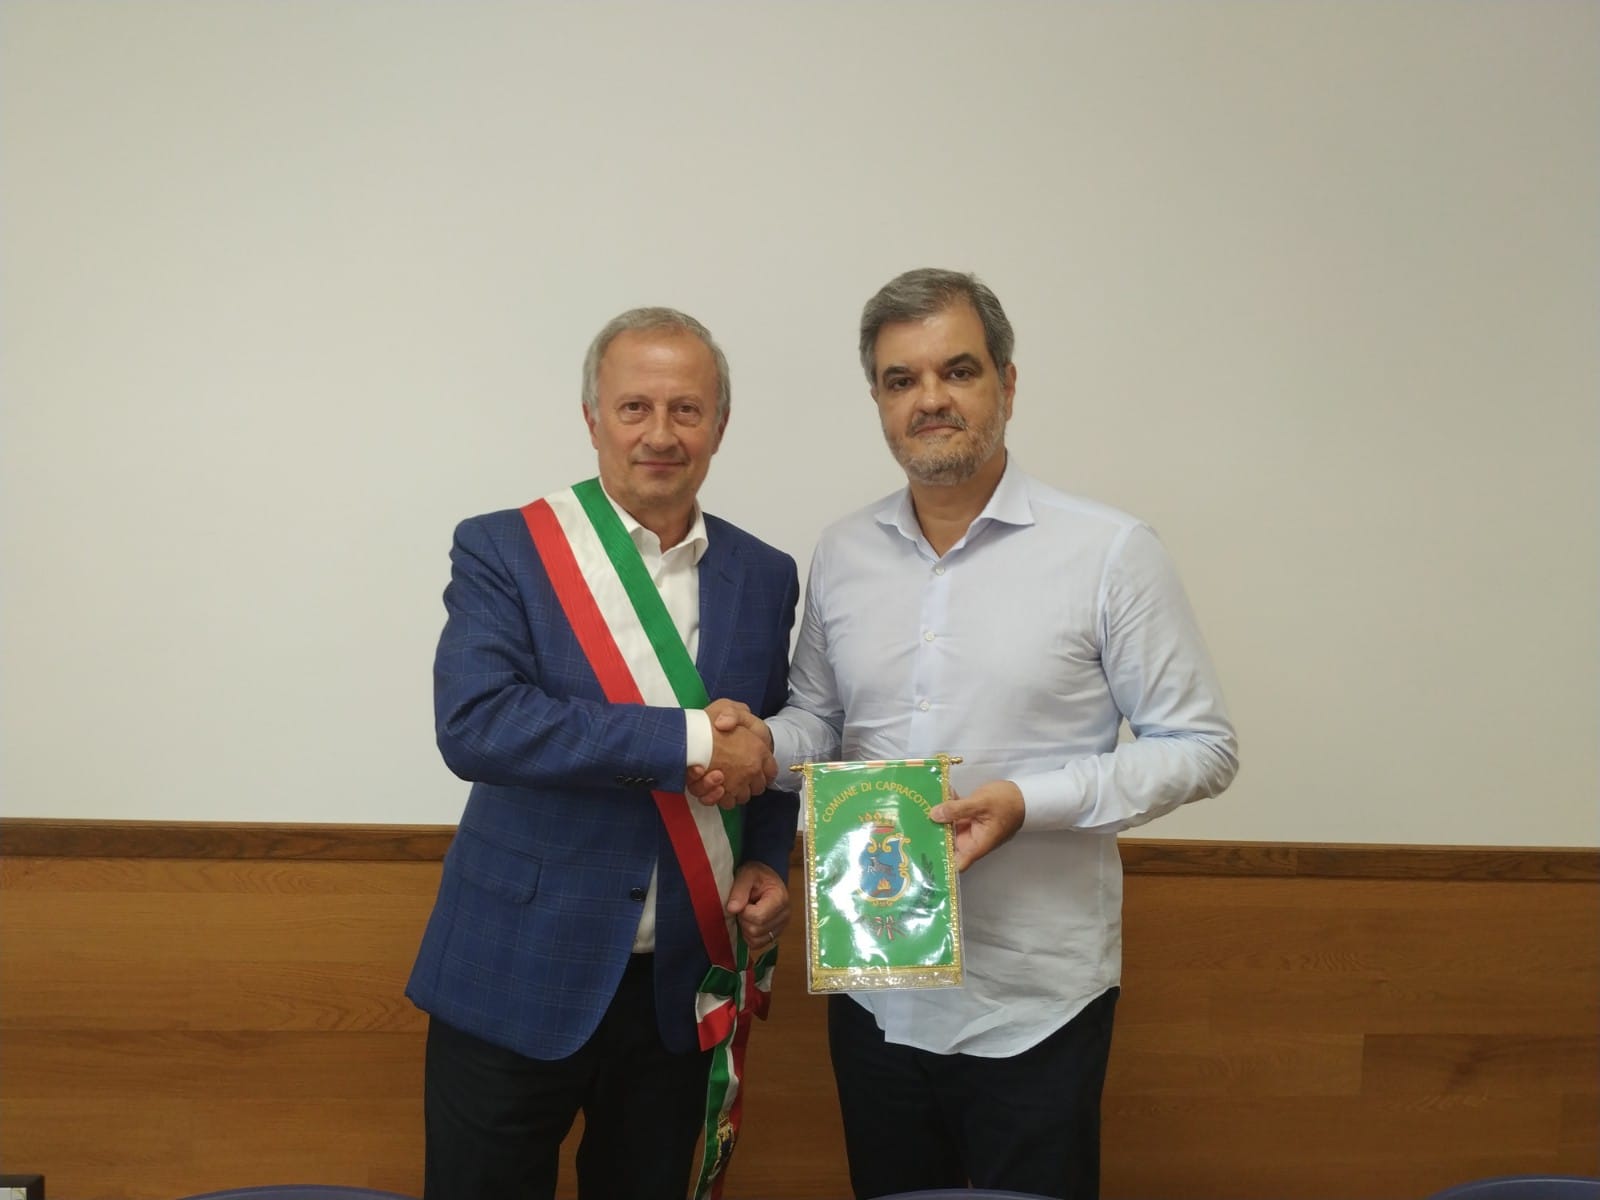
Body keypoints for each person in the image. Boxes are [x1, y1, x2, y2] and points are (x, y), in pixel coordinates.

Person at [697, 269, 1238, 1200]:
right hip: (873, 983)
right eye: (900, 379)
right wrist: (754, 746)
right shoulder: (843, 553)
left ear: (1007, 384)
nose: (930, 399)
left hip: (1036, 998)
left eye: (958, 371)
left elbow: (1201, 747)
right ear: (878, 400)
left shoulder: (1108, 552)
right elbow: (823, 724)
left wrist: (1029, 802)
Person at [407, 306, 800, 1200]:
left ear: (719, 425)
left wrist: (767, 858)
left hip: (679, 986)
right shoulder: (505, 548)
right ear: (593, 419)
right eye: (634, 408)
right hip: (514, 970)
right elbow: (477, 723)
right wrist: (690, 736)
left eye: (686, 410)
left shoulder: (764, 573)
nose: (660, 434)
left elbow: (768, 742)